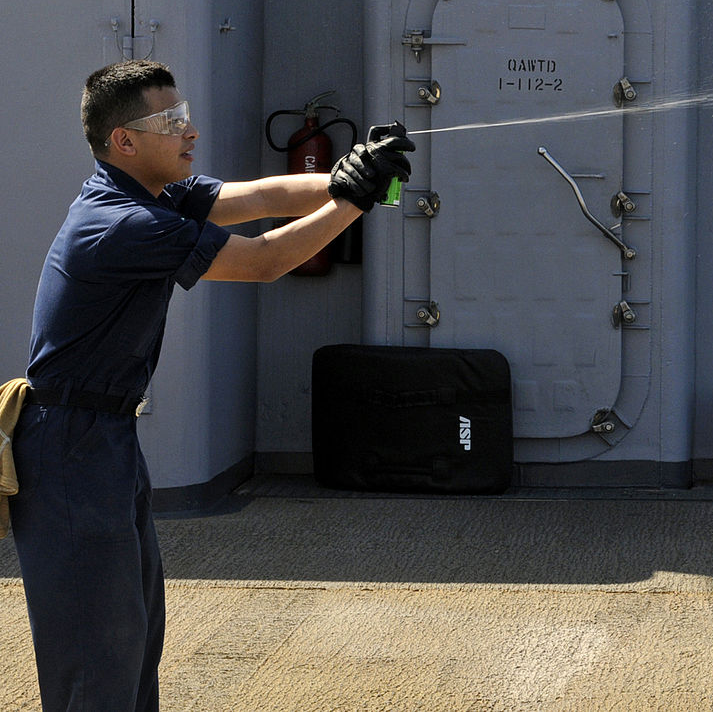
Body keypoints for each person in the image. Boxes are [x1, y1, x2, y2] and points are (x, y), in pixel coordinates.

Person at [12, 59, 413, 712]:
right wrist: (357, 197)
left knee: (133, 639)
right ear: (125, 141)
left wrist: (344, 174)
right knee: (98, 653)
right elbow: (265, 260)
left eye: (186, 112)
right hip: (70, 449)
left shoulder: (152, 195)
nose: (190, 131)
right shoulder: (122, 223)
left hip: (101, 439)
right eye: (171, 122)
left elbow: (254, 199)